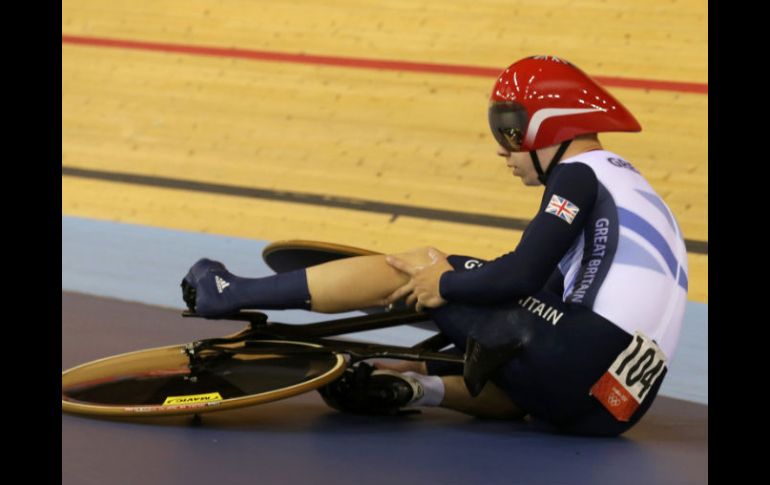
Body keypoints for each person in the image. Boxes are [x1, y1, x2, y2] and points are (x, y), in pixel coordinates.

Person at [181, 55, 688, 437]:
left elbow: (520, 278)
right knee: (515, 365)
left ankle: (229, 290)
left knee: (422, 264)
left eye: (510, 130)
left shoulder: (578, 173)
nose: (501, 148)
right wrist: (424, 358)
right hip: (612, 410)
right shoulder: (634, 188)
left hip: (573, 356)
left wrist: (442, 280)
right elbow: (544, 299)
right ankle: (416, 388)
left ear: (549, 126)